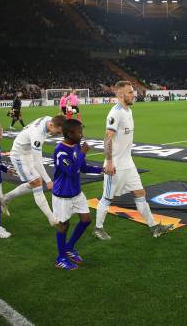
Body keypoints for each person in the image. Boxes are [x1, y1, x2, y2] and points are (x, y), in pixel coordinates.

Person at [94, 81, 173, 240]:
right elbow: (107, 139)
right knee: (108, 197)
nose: (134, 95)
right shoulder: (115, 113)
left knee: (140, 193)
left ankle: (154, 227)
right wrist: (109, 162)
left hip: (128, 163)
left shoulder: (128, 110)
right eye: (130, 92)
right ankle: (98, 228)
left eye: (133, 92)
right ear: (121, 95)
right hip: (115, 165)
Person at [52, 119, 103, 270]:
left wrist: (101, 170)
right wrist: (82, 153)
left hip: (76, 192)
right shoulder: (60, 151)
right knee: (63, 226)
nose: (82, 134)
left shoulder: (76, 145)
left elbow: (83, 168)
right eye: (79, 132)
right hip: (63, 195)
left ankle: (68, 248)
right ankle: (60, 258)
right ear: (69, 134)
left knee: (86, 220)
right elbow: (72, 171)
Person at [1, 115, 66, 225]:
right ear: (51, 125)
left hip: (27, 151)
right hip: (19, 155)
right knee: (37, 182)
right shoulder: (38, 135)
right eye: (58, 132)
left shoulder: (48, 119)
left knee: (34, 183)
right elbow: (37, 162)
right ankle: (52, 219)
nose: (57, 134)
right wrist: (49, 180)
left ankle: (4, 199)